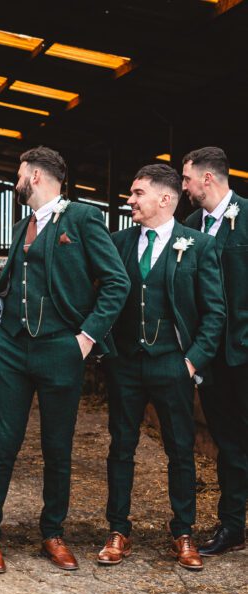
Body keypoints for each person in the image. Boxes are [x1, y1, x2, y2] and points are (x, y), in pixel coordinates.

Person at [0, 146, 130, 573]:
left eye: (19, 173)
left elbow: (116, 282)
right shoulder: (22, 223)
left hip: (62, 349)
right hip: (12, 348)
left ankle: (52, 533)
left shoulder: (82, 219)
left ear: (38, 176)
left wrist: (86, 337)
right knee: (3, 443)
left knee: (57, 447)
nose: (16, 180)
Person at [99, 164, 225, 570]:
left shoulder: (199, 245)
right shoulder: (117, 242)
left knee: (180, 451)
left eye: (138, 193)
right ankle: (118, 530)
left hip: (173, 366)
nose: (130, 200)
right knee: (121, 448)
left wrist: (190, 363)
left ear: (165, 199)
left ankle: (183, 531)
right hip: (124, 366)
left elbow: (214, 313)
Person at [182, 146, 248, 556]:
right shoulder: (189, 227)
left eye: (187, 179)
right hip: (212, 357)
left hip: (245, 351)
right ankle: (233, 524)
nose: (182, 186)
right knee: (228, 442)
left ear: (208, 178)